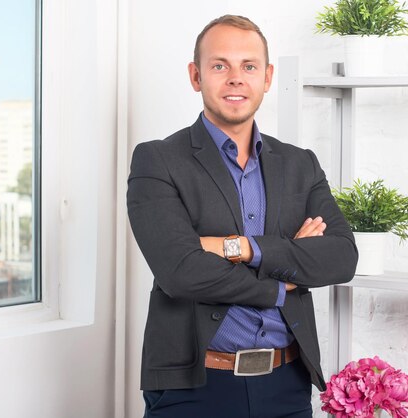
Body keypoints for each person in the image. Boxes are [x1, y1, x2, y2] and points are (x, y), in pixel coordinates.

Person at [127, 14, 358, 418]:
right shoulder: (158, 160)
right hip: (194, 388)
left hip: (287, 385)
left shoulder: (301, 164)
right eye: (220, 66)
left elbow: (341, 257)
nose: (236, 78)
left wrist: (241, 248)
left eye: (248, 66)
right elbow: (179, 271)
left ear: (267, 77)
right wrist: (280, 283)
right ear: (195, 76)